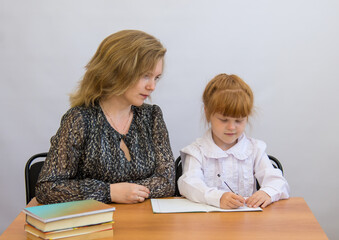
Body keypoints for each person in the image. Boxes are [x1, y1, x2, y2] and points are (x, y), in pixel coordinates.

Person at [36, 30, 175, 204]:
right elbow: (48, 187)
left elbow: (167, 181)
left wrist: (129, 192)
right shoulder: (80, 119)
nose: (152, 86)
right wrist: (109, 192)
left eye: (156, 77)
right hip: (93, 224)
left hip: (143, 223)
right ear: (117, 71)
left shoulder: (152, 116)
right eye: (145, 76)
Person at [178, 73, 289, 209]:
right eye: (223, 120)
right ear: (207, 113)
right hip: (208, 225)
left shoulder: (255, 149)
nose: (231, 127)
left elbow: (277, 181)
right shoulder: (197, 151)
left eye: (239, 120)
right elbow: (188, 184)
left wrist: (267, 192)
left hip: (247, 225)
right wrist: (217, 197)